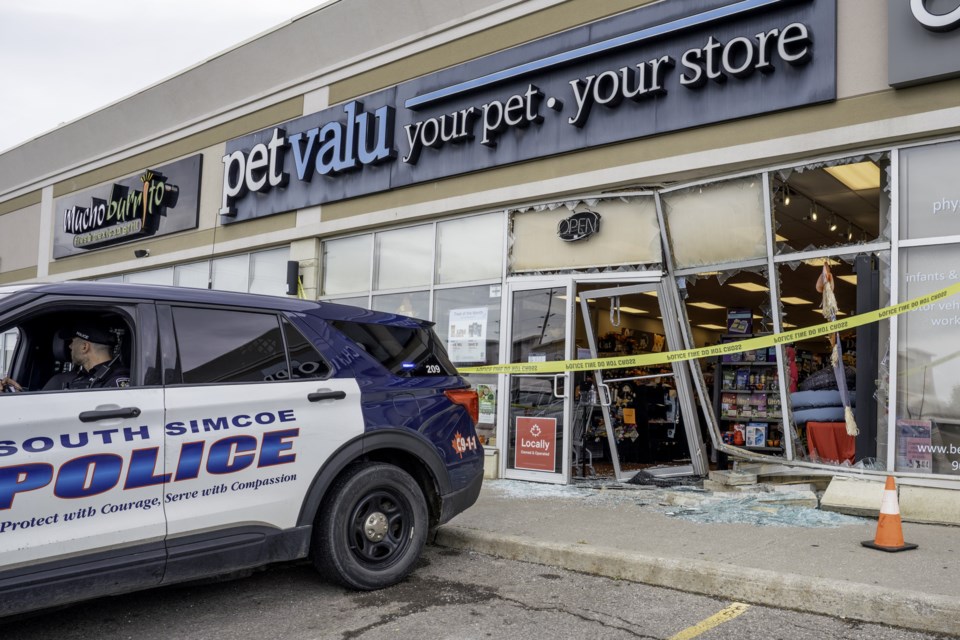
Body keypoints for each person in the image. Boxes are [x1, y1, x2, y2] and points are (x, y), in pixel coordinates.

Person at [0, 325, 129, 392]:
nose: (70, 346)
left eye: (73, 341)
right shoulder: (77, 376)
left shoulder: (116, 381)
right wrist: (18, 392)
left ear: (84, 347)